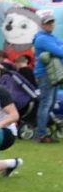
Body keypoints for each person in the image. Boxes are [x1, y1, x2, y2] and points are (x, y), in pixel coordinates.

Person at [33, 10, 63, 143]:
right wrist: (58, 48)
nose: (50, 25)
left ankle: (43, 131)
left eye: (52, 22)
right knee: (46, 103)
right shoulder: (42, 38)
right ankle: (41, 134)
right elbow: (59, 51)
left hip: (53, 74)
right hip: (46, 74)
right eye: (47, 23)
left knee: (50, 103)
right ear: (42, 25)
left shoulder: (51, 37)